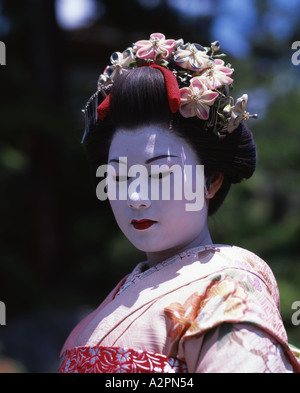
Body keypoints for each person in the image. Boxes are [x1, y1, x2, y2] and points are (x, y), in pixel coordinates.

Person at [58, 33, 300, 373]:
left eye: (159, 175)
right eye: (119, 178)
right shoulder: (110, 304)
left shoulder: (229, 291)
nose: (136, 199)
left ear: (211, 180)